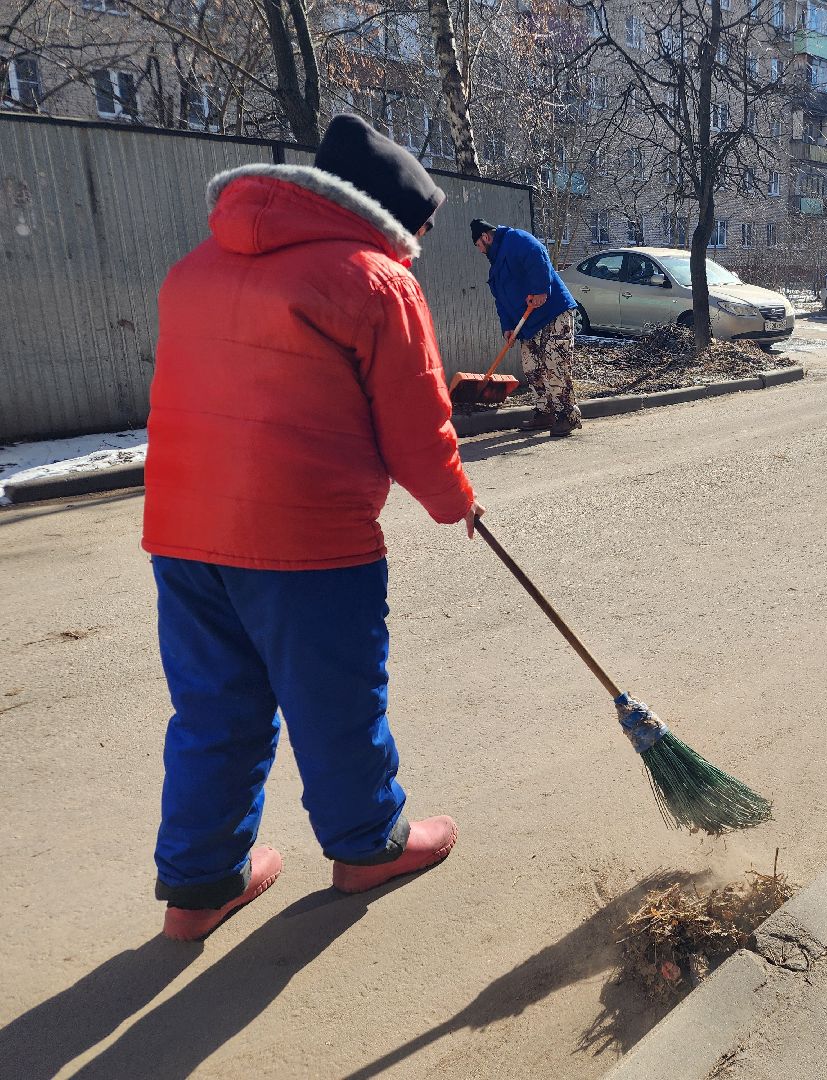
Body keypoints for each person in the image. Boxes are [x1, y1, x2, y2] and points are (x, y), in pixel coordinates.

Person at [142, 114, 482, 942]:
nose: (418, 245)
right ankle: (368, 846)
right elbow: (415, 425)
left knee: (214, 709)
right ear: (389, 213)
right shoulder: (376, 280)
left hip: (183, 533)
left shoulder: (196, 268)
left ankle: (199, 886)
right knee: (337, 701)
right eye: (420, 228)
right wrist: (455, 501)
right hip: (307, 541)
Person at [470, 219, 582, 437]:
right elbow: (501, 301)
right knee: (532, 368)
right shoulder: (495, 268)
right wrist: (508, 327)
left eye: (478, 245)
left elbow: (537, 255)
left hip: (553, 313)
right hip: (528, 324)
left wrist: (540, 290)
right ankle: (545, 412)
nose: (479, 251)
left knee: (555, 364)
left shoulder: (516, 240)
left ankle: (567, 415)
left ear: (486, 237)